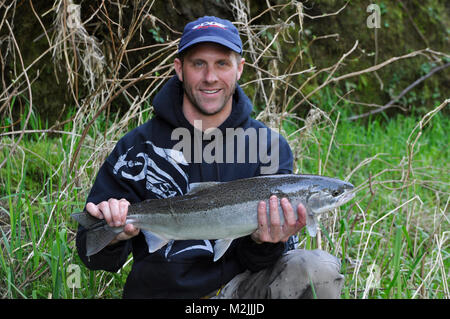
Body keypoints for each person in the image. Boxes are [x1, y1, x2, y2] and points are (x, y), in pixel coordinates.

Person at [76, 16, 343, 299]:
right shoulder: (138, 146)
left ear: (239, 69)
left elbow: (264, 262)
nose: (210, 77)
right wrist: (116, 235)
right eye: (198, 63)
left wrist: (265, 241)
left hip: (240, 295)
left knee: (318, 269)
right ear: (180, 69)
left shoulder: (269, 147)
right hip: (159, 294)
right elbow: (93, 256)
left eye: (222, 63)